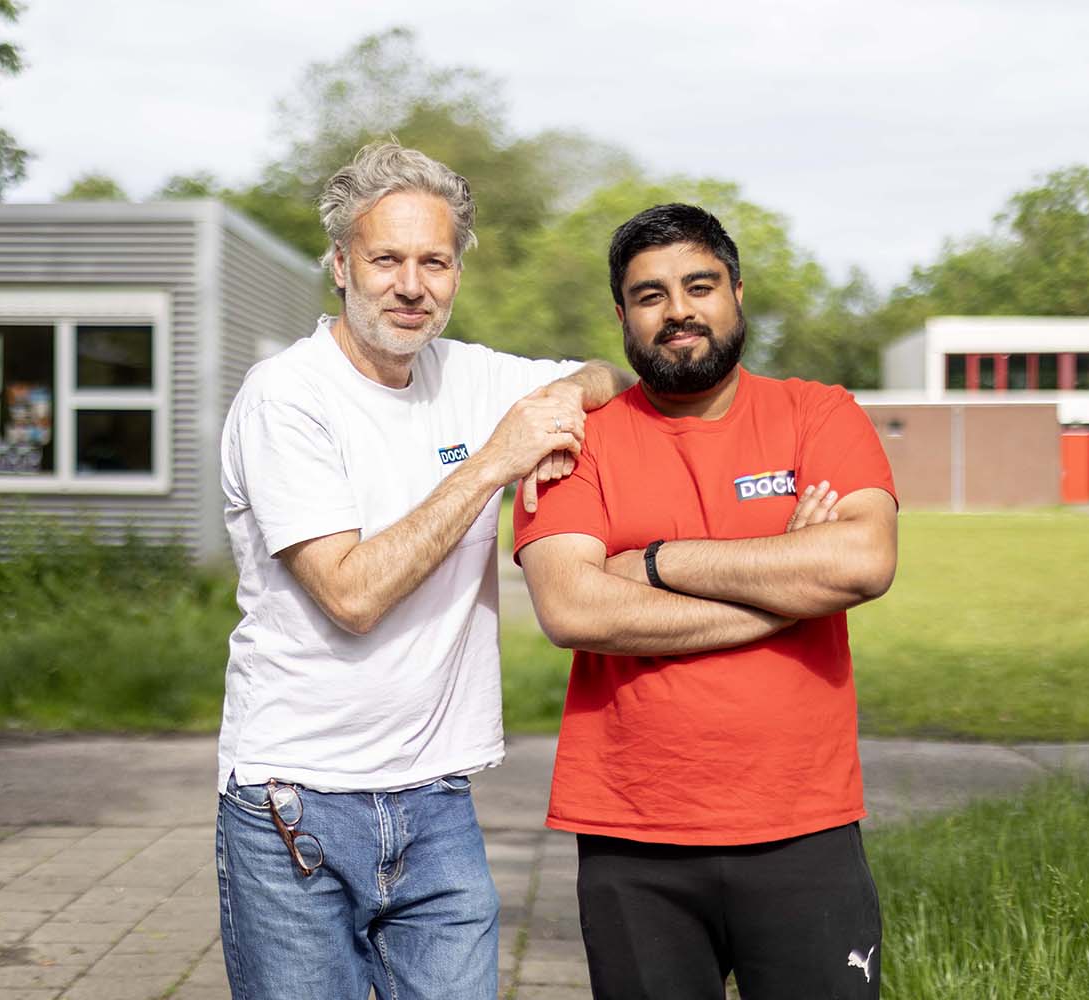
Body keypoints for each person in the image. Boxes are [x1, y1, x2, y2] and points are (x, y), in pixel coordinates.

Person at [216, 142, 632, 1000]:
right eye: (387, 260)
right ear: (340, 265)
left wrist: (565, 397)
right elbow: (352, 593)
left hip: (438, 801)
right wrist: (493, 463)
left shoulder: (472, 376)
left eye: (435, 261)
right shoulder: (286, 397)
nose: (412, 285)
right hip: (296, 804)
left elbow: (609, 378)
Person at [514, 203, 898, 1000]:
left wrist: (654, 562)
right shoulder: (576, 441)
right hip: (633, 835)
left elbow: (861, 561)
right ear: (622, 315)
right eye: (650, 295)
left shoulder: (817, 412)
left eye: (700, 285)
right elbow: (573, 609)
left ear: (737, 293)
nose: (679, 310)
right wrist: (784, 594)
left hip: (804, 825)